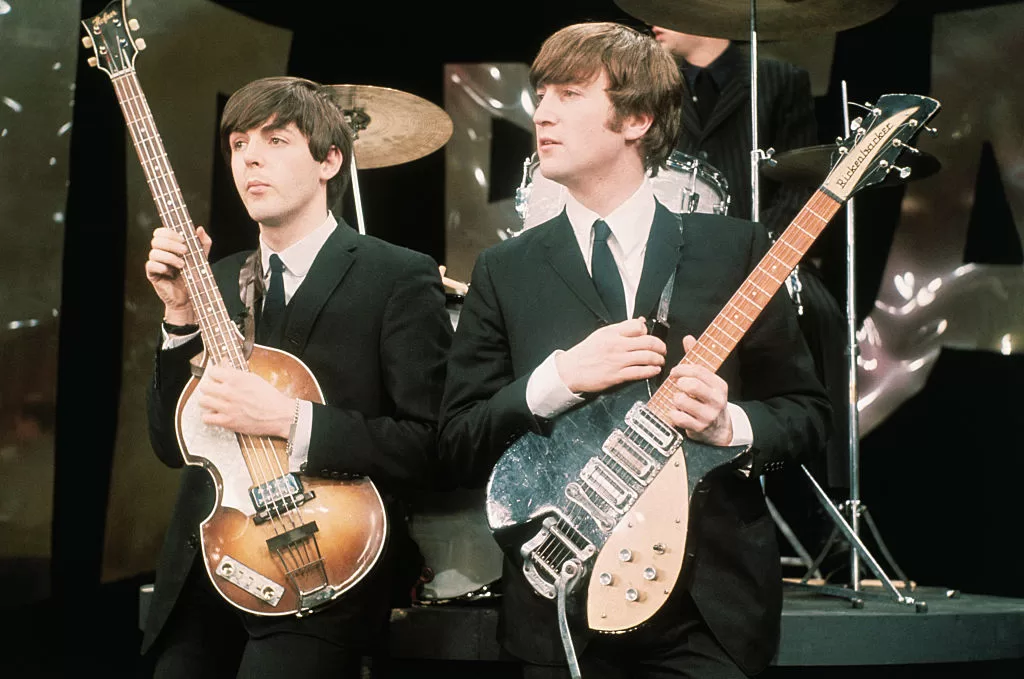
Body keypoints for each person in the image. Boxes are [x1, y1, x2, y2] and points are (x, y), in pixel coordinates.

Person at [439, 21, 831, 679]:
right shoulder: (505, 269)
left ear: (638, 118)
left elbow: (807, 415)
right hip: (562, 609)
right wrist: (558, 379)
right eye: (543, 93)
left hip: (709, 615)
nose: (545, 111)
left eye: (569, 93)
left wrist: (729, 423)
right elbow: (454, 442)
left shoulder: (734, 249)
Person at [141, 76, 451, 678]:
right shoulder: (215, 279)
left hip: (321, 567)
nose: (250, 157)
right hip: (207, 565)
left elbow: (433, 444)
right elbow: (169, 445)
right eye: (238, 144)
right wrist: (179, 320)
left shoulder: (397, 276)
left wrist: (287, 420)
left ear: (330, 160)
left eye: (276, 140)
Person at [653, 25, 851, 544]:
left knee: (822, 315)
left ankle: (821, 516)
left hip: (765, 257)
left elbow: (801, 182)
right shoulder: (650, 79)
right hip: (676, 261)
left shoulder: (778, 78)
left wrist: (771, 257)